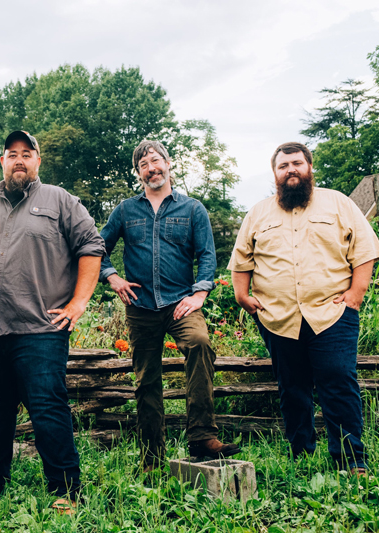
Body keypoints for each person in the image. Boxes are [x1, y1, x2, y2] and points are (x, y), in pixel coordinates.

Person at [0, 130, 105, 513]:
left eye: (27, 153)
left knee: (47, 406)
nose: (19, 159)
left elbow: (91, 247)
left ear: (37, 161)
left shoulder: (61, 201)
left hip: (40, 328)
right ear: (2, 161)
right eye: (11, 153)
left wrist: (79, 302)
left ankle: (65, 489)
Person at [229, 142, 379, 474]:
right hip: (277, 318)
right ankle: (302, 454)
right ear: (275, 174)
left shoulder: (338, 203)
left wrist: (356, 294)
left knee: (338, 381)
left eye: (297, 163)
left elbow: (366, 250)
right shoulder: (258, 213)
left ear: (309, 167)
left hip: (332, 313)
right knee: (293, 388)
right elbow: (241, 260)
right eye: (283, 166)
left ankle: (351, 460)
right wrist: (242, 297)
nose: (291, 170)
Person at [99, 139, 239, 469]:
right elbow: (96, 246)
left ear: (169, 163)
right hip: (141, 306)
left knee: (200, 343)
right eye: (144, 165)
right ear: (138, 173)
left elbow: (207, 255)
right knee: (146, 379)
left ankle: (202, 436)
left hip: (181, 303)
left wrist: (199, 294)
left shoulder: (192, 209)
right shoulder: (125, 210)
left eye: (155, 161)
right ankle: (153, 458)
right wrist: (112, 277)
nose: (151, 168)